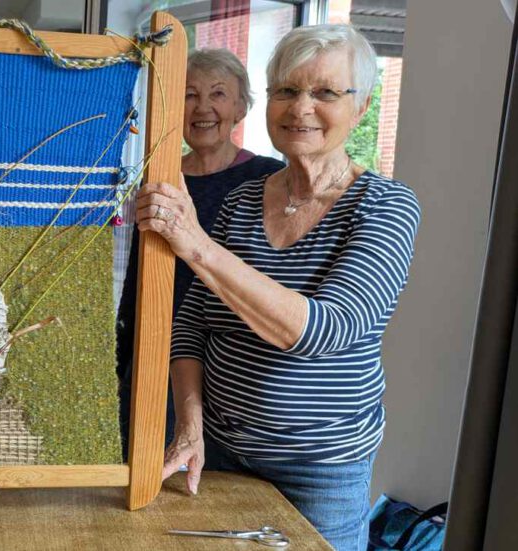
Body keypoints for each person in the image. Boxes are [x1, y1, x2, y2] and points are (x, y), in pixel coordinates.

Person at [141, 25, 421, 550]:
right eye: (286, 91)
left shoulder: (386, 207)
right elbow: (190, 326)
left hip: (320, 473)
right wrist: (190, 426)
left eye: (325, 93)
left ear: (362, 107)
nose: (301, 108)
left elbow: (322, 330)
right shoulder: (242, 202)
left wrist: (195, 244)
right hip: (217, 452)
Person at [116, 49, 284, 458]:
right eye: (190, 94)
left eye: (219, 94)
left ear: (241, 107)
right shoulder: (156, 176)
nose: (203, 107)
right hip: (157, 344)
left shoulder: (269, 178)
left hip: (232, 354)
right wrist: (124, 353)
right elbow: (136, 274)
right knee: (149, 461)